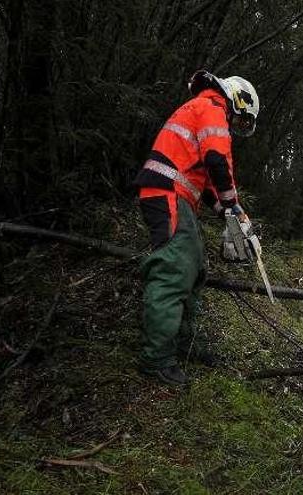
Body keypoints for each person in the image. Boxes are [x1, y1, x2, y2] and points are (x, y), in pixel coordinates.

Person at [132, 70, 259, 386]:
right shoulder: (212, 109)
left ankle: (184, 344)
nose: (236, 126)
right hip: (167, 195)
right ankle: (157, 359)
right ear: (236, 102)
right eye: (240, 119)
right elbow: (216, 160)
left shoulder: (201, 110)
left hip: (177, 194)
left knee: (195, 267)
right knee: (175, 268)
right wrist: (233, 206)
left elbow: (201, 182)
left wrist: (226, 213)